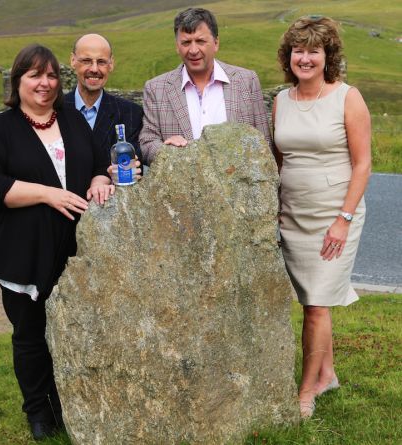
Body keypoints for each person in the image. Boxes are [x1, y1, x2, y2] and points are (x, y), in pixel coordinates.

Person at [0, 44, 114, 440]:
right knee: (31, 336)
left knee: (75, 329)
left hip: (72, 252)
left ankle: (71, 401)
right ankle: (38, 411)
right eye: (35, 75)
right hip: (23, 252)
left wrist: (100, 180)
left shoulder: (71, 120)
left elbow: (98, 162)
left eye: (52, 75)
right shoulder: (0, 129)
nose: (45, 83)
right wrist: (47, 193)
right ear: (18, 80)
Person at [272, 16, 371, 418]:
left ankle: (307, 391)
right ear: (289, 56)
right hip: (292, 215)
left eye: (314, 50)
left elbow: (363, 164)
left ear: (327, 56)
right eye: (299, 50)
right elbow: (279, 161)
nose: (306, 57)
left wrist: (343, 218)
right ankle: (326, 373)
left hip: (335, 215)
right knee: (312, 302)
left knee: (316, 304)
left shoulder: (348, 97)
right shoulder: (280, 100)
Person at [139, 7, 272, 165]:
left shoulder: (246, 81)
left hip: (238, 187)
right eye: (186, 42)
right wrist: (165, 149)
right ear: (177, 46)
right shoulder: (156, 88)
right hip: (182, 188)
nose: (193, 50)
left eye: (200, 41)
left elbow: (264, 144)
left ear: (216, 43)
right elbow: (147, 143)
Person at [65, 33, 144, 165]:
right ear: (73, 61)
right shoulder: (55, 110)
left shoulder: (131, 113)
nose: (94, 69)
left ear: (111, 64)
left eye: (101, 62)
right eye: (86, 61)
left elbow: (133, 166)